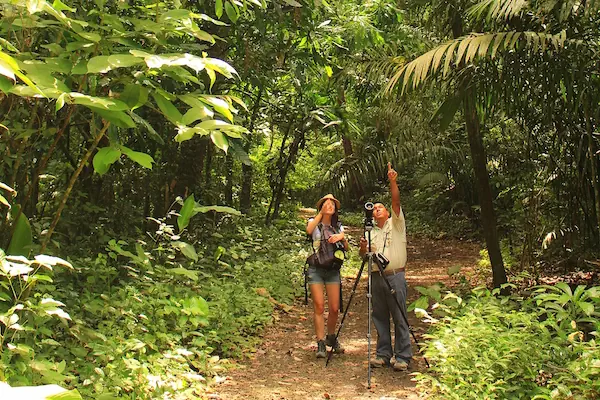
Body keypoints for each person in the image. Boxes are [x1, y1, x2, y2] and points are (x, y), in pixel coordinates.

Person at [359, 162, 412, 371]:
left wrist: (393, 181)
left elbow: (396, 201)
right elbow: (364, 256)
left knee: (399, 315)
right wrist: (363, 249)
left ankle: (403, 356)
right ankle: (383, 353)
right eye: (374, 209)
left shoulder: (396, 224)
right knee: (379, 316)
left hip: (394, 275)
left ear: (388, 213)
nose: (377, 210)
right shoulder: (370, 231)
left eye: (381, 207)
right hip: (375, 276)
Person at [306, 194, 348, 358]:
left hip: (333, 269)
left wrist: (341, 237)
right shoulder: (313, 222)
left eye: (332, 204)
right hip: (316, 268)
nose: (330, 206)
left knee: (334, 308)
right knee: (318, 306)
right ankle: (321, 342)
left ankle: (331, 336)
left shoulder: (338, 226)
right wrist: (320, 214)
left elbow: (346, 248)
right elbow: (309, 231)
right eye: (326, 203)